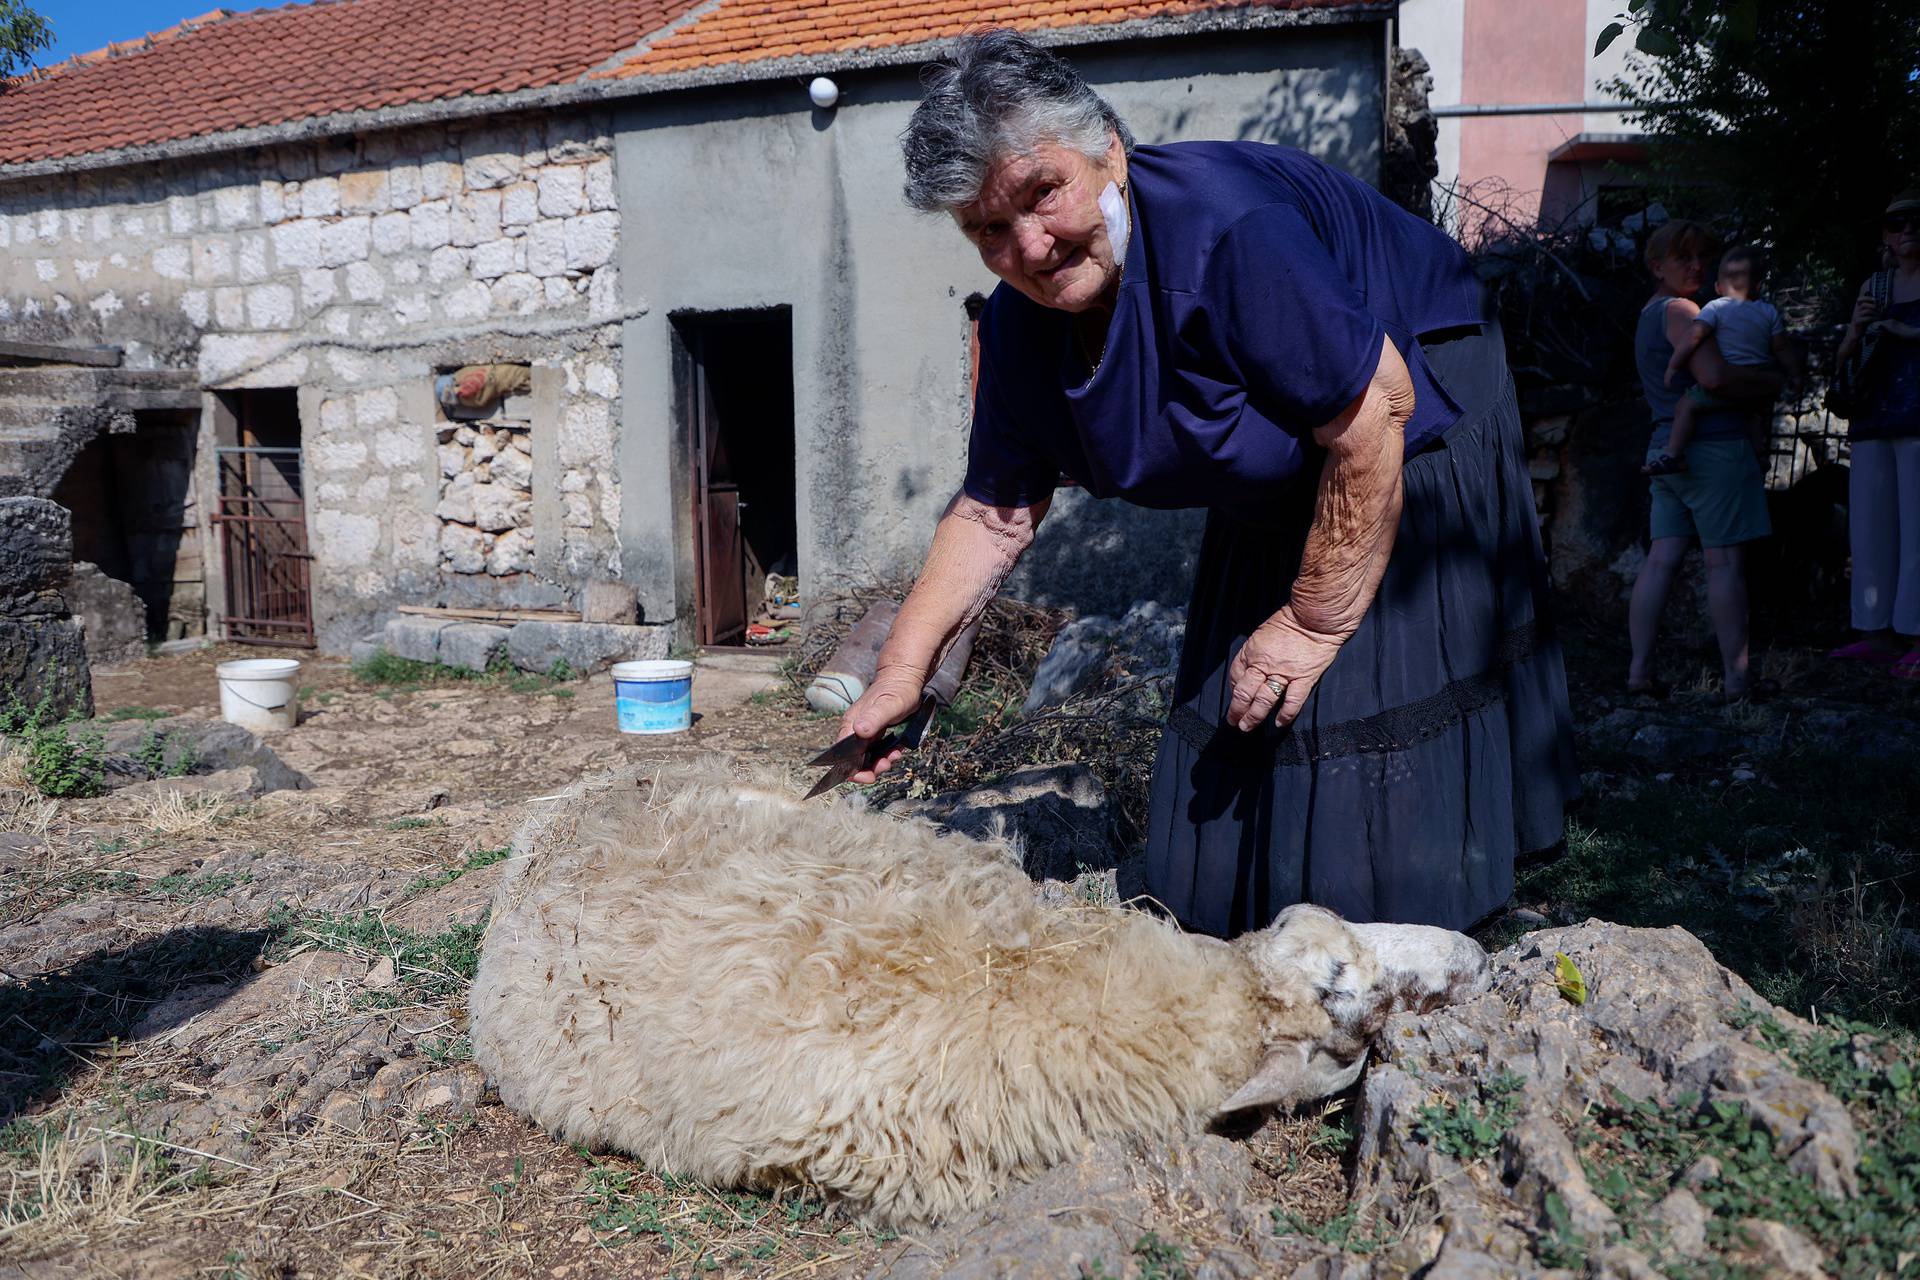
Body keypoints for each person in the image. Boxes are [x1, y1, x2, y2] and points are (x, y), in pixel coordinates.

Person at [836, 31, 1577, 938]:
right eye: (989, 228)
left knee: (1351, 690)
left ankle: (1408, 934)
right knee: (1235, 714)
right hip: (1290, 446)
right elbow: (993, 513)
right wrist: (901, 675)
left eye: (1043, 194)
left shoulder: (1227, 235)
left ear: (1109, 151)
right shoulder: (1027, 322)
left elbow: (1375, 411)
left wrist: (1312, 621)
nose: (1029, 245)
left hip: (1412, 391)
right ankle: (1247, 910)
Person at [1627, 220, 1782, 700]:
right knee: (1725, 565)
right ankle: (1738, 681)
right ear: (1657, 266)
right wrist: (1769, 380)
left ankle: (1638, 673)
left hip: (1664, 448)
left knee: (1660, 561)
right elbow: (1713, 376)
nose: (1696, 265)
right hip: (1711, 449)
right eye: (1683, 258)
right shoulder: (1683, 310)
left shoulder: (1648, 313)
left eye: (1701, 257)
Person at [1828, 190, 1920, 676]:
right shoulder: (1877, 286)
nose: (1908, 230)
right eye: (1897, 223)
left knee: (1918, 529)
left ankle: (1917, 637)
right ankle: (1875, 633)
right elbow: (1846, 359)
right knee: (1870, 529)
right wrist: (1854, 333)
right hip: (1873, 419)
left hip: (1917, 418)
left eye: (1916, 222)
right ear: (1884, 233)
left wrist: (1910, 334)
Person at [1647, 246, 1804, 476]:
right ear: (1758, 287)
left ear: (1718, 287)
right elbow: (1781, 347)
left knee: (1686, 406)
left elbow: (1694, 336)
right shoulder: (1769, 312)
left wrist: (1674, 364)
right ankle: (1759, 455)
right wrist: (1796, 375)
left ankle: (1673, 454)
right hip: (1756, 383)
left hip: (1730, 378)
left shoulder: (1715, 307)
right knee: (1752, 415)